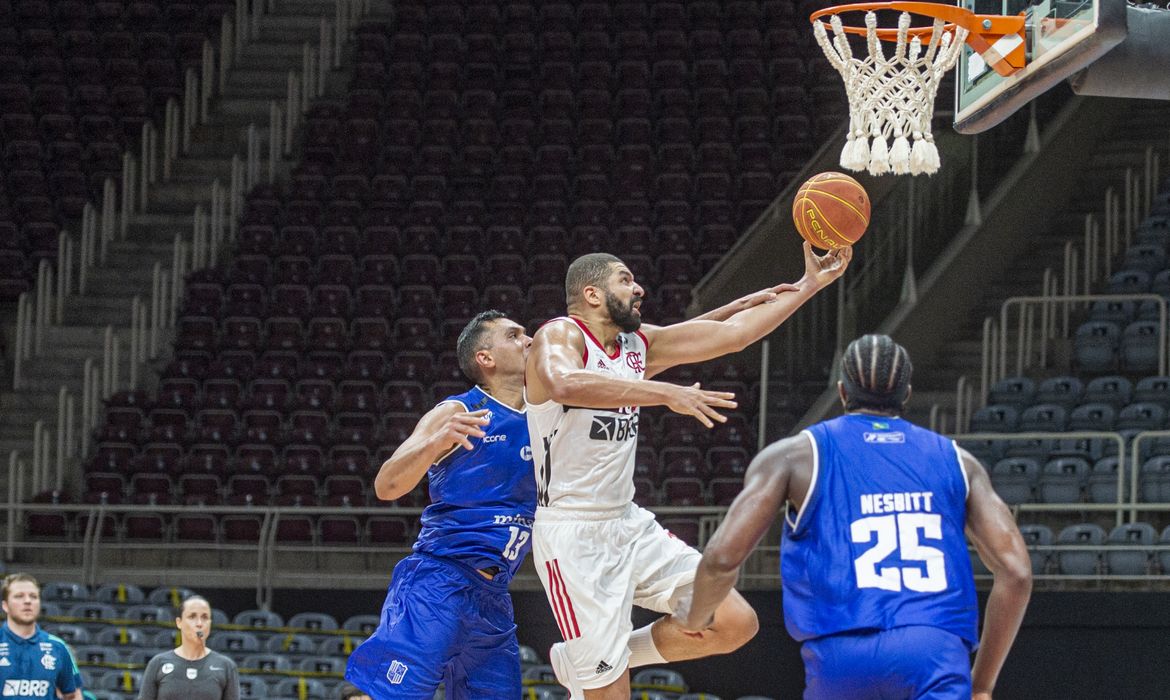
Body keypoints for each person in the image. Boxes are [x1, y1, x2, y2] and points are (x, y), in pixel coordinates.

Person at [525, 242, 852, 698]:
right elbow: (563, 383)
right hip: (573, 535)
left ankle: (601, 659)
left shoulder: (637, 346)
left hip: (627, 522)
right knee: (609, 694)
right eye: (625, 278)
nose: (638, 287)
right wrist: (663, 393)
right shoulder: (560, 336)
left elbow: (733, 335)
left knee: (733, 621)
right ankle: (597, 667)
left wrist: (808, 285)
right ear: (592, 294)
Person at [679, 334, 1033, 700]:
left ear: (842, 392)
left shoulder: (795, 455)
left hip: (843, 654)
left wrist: (696, 618)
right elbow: (1017, 574)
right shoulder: (960, 462)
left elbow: (722, 559)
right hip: (935, 652)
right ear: (906, 395)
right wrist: (983, 683)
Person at [138, 596, 239, 700]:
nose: (199, 623)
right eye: (192, 617)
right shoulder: (158, 663)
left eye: (205, 617)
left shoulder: (226, 666)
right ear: (179, 622)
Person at [0, 573, 82, 700]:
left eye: (33, 596)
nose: (27, 601)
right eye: (19, 596)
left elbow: (73, 695)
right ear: (5, 606)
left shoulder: (58, 647)